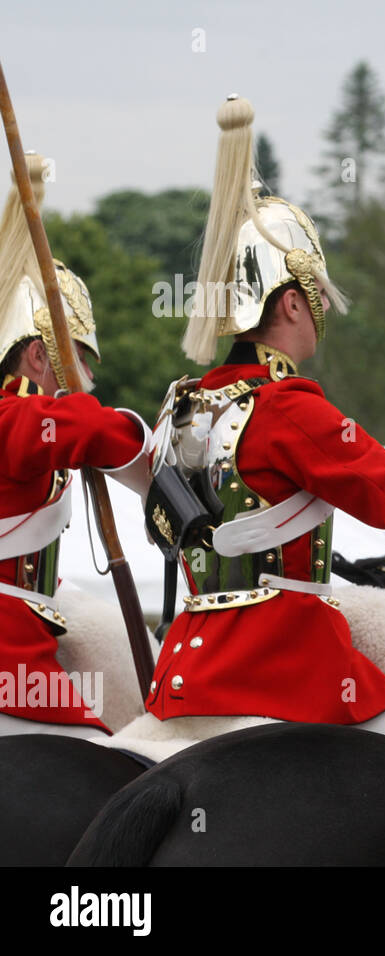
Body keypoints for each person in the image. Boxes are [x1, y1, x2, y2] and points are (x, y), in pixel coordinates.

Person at [143, 96, 385, 735]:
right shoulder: (290, 409)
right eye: (317, 292)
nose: (324, 305)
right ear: (291, 303)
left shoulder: (185, 405)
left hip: (185, 670)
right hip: (285, 666)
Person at [0, 153, 150, 738]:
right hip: (10, 661)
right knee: (111, 774)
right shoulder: (16, 416)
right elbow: (92, 429)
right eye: (80, 361)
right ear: (40, 356)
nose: (89, 380)